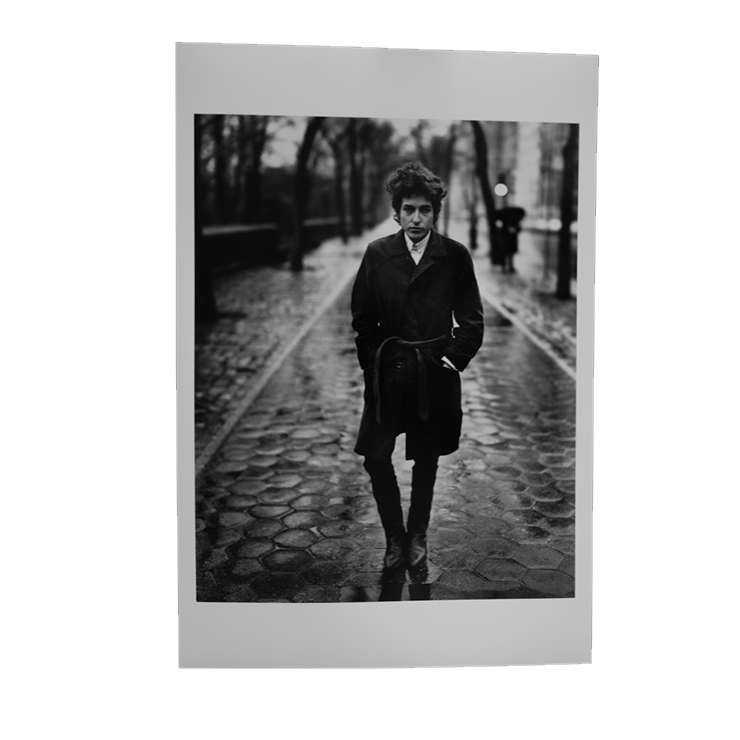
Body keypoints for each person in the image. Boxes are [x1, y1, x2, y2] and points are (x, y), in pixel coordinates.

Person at [351, 162, 484, 570]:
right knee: (376, 456)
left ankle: (418, 534)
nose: (416, 218)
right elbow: (363, 319)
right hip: (388, 372)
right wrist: (374, 365)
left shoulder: (454, 256)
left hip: (433, 373)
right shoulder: (377, 254)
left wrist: (450, 360)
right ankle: (394, 536)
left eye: (424, 210)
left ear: (435, 213)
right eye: (408, 209)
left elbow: (473, 320)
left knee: (427, 457)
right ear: (396, 212)